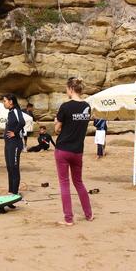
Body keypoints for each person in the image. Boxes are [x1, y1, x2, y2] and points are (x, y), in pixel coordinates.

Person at [54, 77, 93, 226]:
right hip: (78, 151)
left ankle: (68, 218)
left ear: (70, 88)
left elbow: (57, 129)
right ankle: (89, 214)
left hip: (63, 149)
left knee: (64, 184)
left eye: (66, 88)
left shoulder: (65, 107)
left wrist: (56, 123)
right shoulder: (87, 107)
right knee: (79, 182)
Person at [3, 93, 25, 195]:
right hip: (8, 144)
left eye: (5, 101)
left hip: (15, 143)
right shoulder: (10, 112)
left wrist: (14, 133)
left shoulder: (16, 110)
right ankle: (10, 191)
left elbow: (22, 122)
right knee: (9, 167)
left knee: (14, 167)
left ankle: (15, 192)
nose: (4, 103)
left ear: (11, 101)